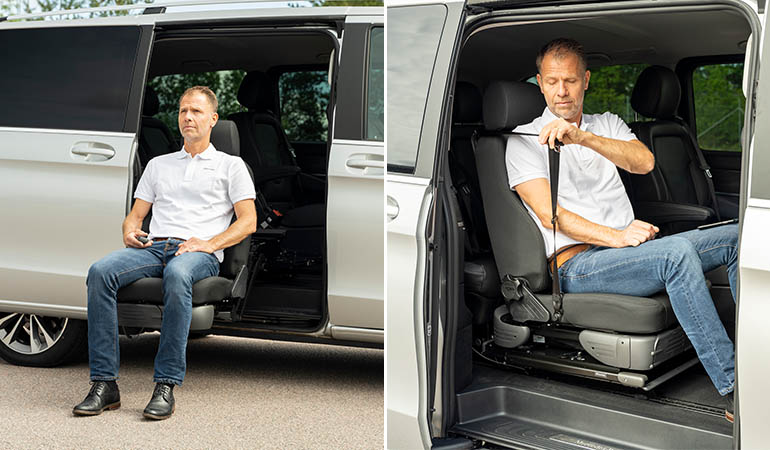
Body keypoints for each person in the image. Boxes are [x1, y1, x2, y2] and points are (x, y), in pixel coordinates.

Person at [506, 38, 738, 423]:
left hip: (623, 254)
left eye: (570, 80)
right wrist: (615, 236)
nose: (561, 91)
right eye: (551, 81)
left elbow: (644, 163)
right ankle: (734, 389)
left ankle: (758, 360)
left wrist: (582, 136)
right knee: (676, 255)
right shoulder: (522, 140)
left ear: (586, 81)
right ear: (540, 83)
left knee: (735, 238)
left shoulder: (607, 124)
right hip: (577, 265)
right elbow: (552, 216)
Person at [73, 86, 257, 420]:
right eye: (183, 110)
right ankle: (104, 384)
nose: (188, 117)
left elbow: (248, 223)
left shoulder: (231, 166)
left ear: (213, 119)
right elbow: (136, 215)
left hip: (197, 252)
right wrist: (129, 230)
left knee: (177, 273)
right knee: (100, 271)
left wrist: (209, 244)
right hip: (155, 246)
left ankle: (165, 385)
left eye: (197, 111)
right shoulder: (159, 164)